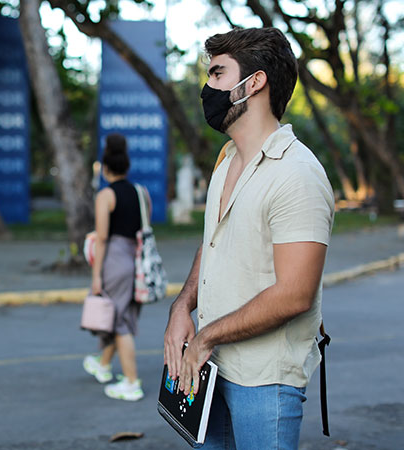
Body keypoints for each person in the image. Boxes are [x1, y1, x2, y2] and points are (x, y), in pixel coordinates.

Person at [163, 28, 335, 448]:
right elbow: (215, 241)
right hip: (211, 369)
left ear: (253, 83)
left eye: (218, 74)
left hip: (263, 382)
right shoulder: (227, 159)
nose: (208, 87)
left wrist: (206, 336)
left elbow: (295, 294)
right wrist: (183, 306)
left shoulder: (297, 174)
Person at [82, 133, 149, 401]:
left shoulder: (105, 195)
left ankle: (132, 382)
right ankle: (103, 365)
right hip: (137, 260)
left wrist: (96, 276)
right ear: (127, 166)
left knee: (119, 321)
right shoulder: (141, 192)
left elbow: (102, 238)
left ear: (105, 168)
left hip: (114, 261)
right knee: (123, 315)